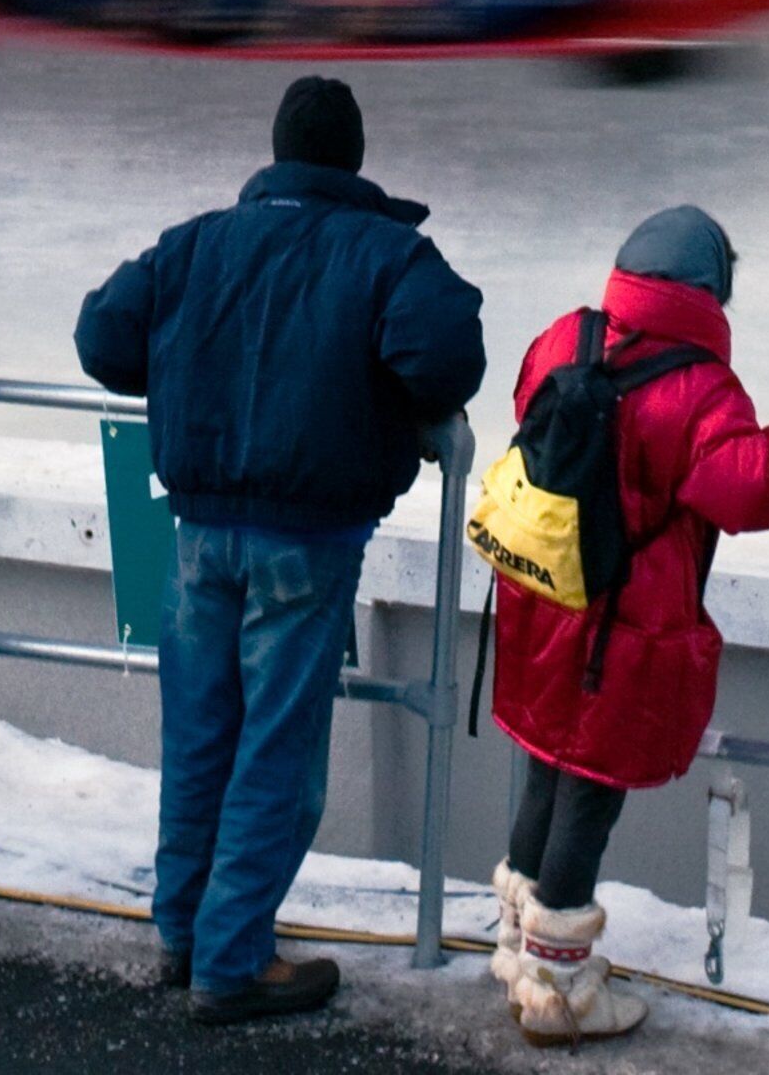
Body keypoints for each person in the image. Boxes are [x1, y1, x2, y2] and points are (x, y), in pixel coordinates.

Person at [75, 75, 485, 1027]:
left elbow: (103, 337)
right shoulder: (388, 252)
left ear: (275, 153)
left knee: (201, 736)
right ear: (353, 159)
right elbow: (445, 360)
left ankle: (182, 933)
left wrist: (186, 362)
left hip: (198, 533)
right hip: (307, 539)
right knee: (275, 752)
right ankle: (232, 960)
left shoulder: (197, 242)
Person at [484, 205, 769, 1047]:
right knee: (586, 799)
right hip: (622, 632)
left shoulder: (564, 338)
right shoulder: (701, 388)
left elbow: (526, 404)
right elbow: (743, 489)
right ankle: (558, 992)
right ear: (709, 291)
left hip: (546, 603)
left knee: (546, 776)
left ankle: (517, 951)